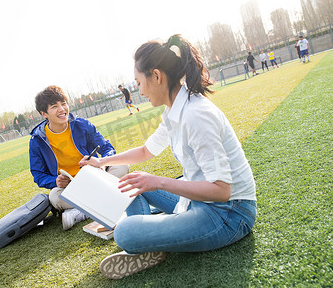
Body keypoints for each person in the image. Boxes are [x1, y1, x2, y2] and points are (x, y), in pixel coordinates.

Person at [80, 34, 257, 280]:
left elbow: (222, 191)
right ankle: (154, 235)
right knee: (129, 185)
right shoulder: (174, 109)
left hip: (228, 214)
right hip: (199, 202)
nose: (139, 90)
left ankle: (146, 237)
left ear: (156, 76)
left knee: (125, 233)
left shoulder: (196, 114)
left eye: (138, 82)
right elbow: (146, 151)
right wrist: (101, 162)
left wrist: (159, 182)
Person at [30, 86, 129, 230]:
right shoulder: (37, 140)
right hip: (72, 186)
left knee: (122, 165)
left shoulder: (82, 125)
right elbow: (38, 174)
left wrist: (101, 163)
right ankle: (107, 199)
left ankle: (82, 211)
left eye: (63, 103)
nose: (62, 109)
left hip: (97, 177)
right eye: (54, 106)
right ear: (44, 113)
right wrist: (55, 181)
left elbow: (107, 148)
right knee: (55, 197)